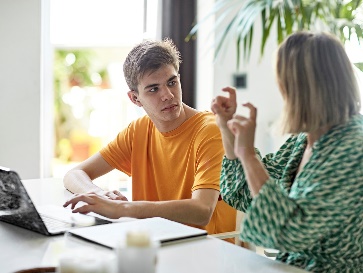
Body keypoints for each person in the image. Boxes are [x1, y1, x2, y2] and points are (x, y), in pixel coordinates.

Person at [211, 31, 363, 272]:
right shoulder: (305, 140)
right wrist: (226, 128)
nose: (282, 95)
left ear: (305, 90)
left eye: (284, 86)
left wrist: (249, 155)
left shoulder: (353, 148)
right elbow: (244, 194)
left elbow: (291, 232)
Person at [63, 38, 236, 238]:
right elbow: (74, 174)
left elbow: (201, 210)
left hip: (205, 251)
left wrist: (122, 209)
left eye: (172, 82)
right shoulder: (138, 130)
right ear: (135, 98)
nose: (168, 95)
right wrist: (99, 195)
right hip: (153, 242)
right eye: (154, 89)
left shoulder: (210, 131)